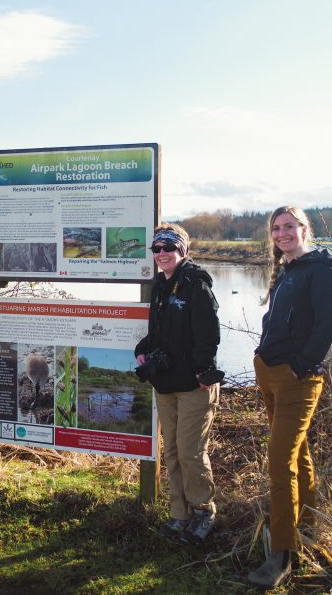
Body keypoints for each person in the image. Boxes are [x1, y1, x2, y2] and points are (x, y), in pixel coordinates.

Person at [249, 206, 332, 588]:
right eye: (276, 228)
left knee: (279, 460)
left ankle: (281, 554)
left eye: (289, 226)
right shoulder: (288, 270)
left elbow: (328, 327)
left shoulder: (319, 270)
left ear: (304, 229)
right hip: (270, 373)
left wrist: (300, 367)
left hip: (296, 380)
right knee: (297, 453)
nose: (282, 233)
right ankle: (310, 528)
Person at [134, 223, 222, 545]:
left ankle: (204, 511)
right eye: (156, 248)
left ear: (182, 250)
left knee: (190, 452)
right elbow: (159, 332)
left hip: (194, 385)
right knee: (171, 451)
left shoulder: (196, 284)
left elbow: (209, 335)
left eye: (168, 247)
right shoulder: (160, 285)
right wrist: (144, 349)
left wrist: (202, 371)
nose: (162, 254)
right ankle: (179, 513)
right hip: (166, 383)